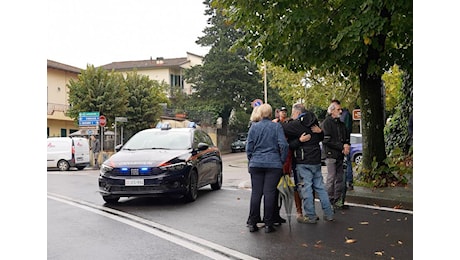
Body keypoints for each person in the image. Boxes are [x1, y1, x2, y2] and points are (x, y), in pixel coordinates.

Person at [282, 103, 334, 223]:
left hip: (303, 160)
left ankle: (310, 216)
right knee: (320, 187)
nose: (292, 116)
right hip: (316, 160)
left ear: (297, 113)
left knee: (306, 188)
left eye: (292, 114)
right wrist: (320, 132)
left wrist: (298, 141)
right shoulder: (314, 123)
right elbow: (321, 136)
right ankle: (329, 213)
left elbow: (282, 130)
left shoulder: (296, 125)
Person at [246, 103, 289, 233]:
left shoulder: (254, 127)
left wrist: (251, 159)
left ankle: (253, 222)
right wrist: (280, 160)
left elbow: (249, 147)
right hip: (273, 164)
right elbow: (284, 145)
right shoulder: (276, 127)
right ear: (271, 114)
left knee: (256, 193)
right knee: (269, 193)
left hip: (256, 163)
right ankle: (268, 224)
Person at [321, 100, 350, 210]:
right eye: (338, 109)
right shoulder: (327, 123)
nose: (340, 111)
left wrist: (347, 144)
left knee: (339, 177)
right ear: (332, 111)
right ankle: (329, 200)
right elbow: (326, 140)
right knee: (331, 177)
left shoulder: (341, 124)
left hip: (339, 154)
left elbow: (346, 136)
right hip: (330, 154)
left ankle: (338, 200)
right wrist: (341, 146)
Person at [340, 107, 354, 190]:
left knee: (346, 162)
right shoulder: (346, 115)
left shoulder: (344, 115)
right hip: (345, 142)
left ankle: (348, 182)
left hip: (344, 142)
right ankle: (348, 182)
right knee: (346, 162)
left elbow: (346, 129)